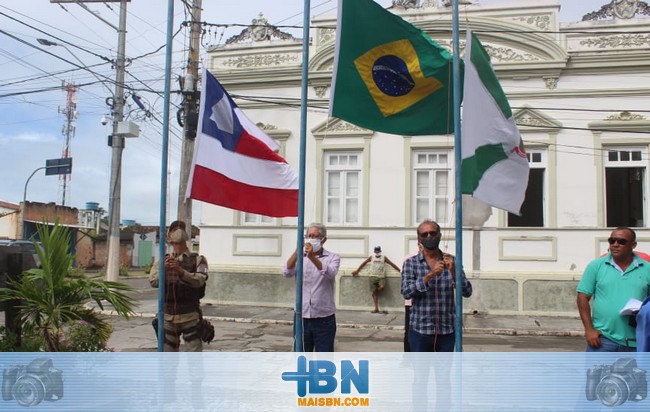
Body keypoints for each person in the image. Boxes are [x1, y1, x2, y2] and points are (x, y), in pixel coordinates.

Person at [401, 219, 473, 352]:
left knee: (444, 373)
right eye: (425, 234)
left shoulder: (452, 260)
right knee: (421, 373)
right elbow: (406, 292)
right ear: (419, 238)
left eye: (433, 233)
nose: (429, 237)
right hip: (420, 331)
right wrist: (429, 275)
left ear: (439, 235)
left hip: (447, 332)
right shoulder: (411, 263)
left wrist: (454, 272)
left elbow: (467, 291)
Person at [576, 227, 650, 352]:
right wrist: (589, 330)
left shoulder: (647, 268)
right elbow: (582, 297)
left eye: (621, 241)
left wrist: (643, 311)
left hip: (637, 341)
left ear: (633, 244)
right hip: (602, 339)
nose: (615, 244)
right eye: (612, 241)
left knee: (637, 372)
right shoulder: (596, 266)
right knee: (597, 372)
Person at [149, 220, 208, 352]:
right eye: (175, 229)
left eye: (181, 229)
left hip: (190, 316)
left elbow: (200, 280)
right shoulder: (163, 260)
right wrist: (164, 270)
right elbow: (153, 281)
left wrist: (180, 271)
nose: (178, 232)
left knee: (194, 361)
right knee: (168, 361)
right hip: (168, 317)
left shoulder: (199, 260)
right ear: (170, 238)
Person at [282, 222, 341, 352]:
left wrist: (312, 258)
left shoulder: (332, 257)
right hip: (301, 316)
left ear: (323, 239)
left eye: (314, 236)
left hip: (324, 318)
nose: (310, 239)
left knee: (324, 358)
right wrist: (297, 251)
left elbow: (330, 273)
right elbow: (286, 272)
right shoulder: (300, 257)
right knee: (302, 356)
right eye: (308, 235)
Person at [352, 245, 401, 313]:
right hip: (372, 276)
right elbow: (364, 263)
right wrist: (357, 271)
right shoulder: (372, 257)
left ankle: (377, 290)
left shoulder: (384, 258)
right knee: (374, 292)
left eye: (378, 251)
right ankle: (376, 308)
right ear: (374, 251)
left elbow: (391, 264)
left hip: (381, 276)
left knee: (382, 287)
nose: (377, 253)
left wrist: (400, 270)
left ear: (380, 251)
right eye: (376, 251)